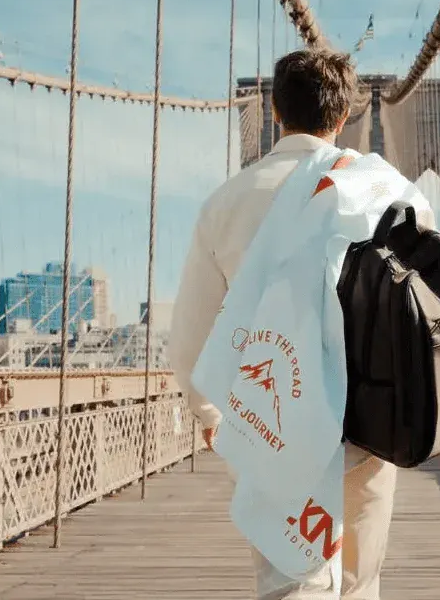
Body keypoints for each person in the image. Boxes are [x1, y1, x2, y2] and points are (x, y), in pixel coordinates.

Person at [169, 48, 414, 599]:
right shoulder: (381, 190)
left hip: (270, 423)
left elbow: (190, 337)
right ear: (345, 114)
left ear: (276, 113)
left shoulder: (226, 203)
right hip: (369, 422)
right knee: (358, 584)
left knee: (289, 583)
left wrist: (208, 412)